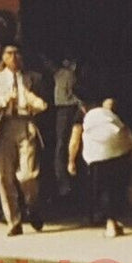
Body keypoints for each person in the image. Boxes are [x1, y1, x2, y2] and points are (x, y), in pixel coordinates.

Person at [0, 44, 47, 236]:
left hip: (26, 125)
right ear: (3, 57)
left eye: (18, 53)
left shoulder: (33, 78)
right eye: (10, 53)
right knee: (3, 176)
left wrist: (37, 106)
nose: (14, 57)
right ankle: (13, 221)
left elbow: (43, 101)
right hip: (3, 127)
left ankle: (32, 206)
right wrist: (2, 101)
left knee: (28, 175)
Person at [68, 96, 132, 238]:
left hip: (97, 156)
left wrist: (71, 161)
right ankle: (115, 220)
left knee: (103, 190)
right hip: (118, 152)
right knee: (116, 187)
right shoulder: (112, 111)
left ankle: (110, 224)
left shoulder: (83, 114)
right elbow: (127, 132)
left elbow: (74, 140)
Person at [52, 58, 82, 200]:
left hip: (68, 108)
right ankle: (64, 183)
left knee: (64, 143)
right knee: (63, 144)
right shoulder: (63, 73)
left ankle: (65, 183)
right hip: (66, 108)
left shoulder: (59, 73)